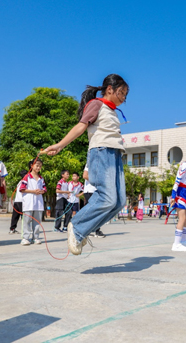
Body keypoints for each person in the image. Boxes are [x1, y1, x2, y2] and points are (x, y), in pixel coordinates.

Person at [44, 74, 129, 255]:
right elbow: (81, 127)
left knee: (119, 201)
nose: (124, 98)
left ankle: (82, 231)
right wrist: (59, 145)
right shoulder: (96, 104)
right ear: (109, 90)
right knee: (107, 198)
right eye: (121, 93)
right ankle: (76, 226)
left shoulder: (112, 111)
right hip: (101, 152)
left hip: (115, 155)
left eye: (126, 95)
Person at [19, 158, 46, 245]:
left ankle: (36, 237)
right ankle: (25, 238)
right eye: (37, 165)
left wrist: (41, 191)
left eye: (40, 166)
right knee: (27, 220)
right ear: (32, 166)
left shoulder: (41, 178)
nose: (38, 168)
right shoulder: (27, 177)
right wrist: (33, 191)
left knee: (37, 221)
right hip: (29, 202)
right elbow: (22, 189)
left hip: (38, 203)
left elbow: (44, 189)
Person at [83, 165, 104, 238]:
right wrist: (96, 181)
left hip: (97, 190)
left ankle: (96, 230)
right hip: (90, 191)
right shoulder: (90, 163)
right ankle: (89, 230)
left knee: (98, 211)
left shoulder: (101, 163)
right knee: (92, 211)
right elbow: (85, 176)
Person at [9, 170, 28, 234]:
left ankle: (12, 229)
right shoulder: (25, 182)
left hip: (16, 201)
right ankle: (25, 229)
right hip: (22, 201)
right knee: (24, 216)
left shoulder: (20, 182)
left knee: (15, 216)